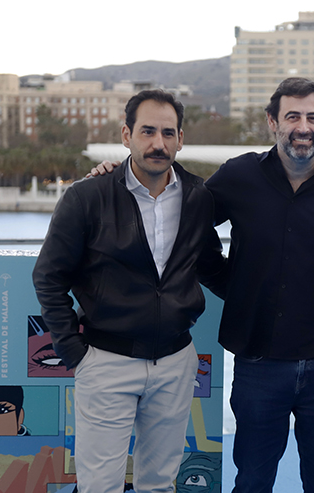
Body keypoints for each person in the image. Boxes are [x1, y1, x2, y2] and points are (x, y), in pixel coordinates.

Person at [33, 89, 227, 493]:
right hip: (106, 361)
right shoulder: (87, 197)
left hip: (175, 362)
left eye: (168, 133)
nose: (158, 143)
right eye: (147, 131)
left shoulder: (198, 197)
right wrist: (74, 352)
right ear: (127, 135)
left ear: (180, 139)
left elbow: (210, 266)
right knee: (99, 486)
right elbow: (49, 276)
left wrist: (270, 294)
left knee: (159, 485)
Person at [205, 78, 314, 493]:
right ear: (272, 122)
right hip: (258, 362)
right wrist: (232, 285)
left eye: (313, 118)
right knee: (252, 482)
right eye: (292, 116)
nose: (303, 127)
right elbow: (187, 223)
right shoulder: (238, 176)